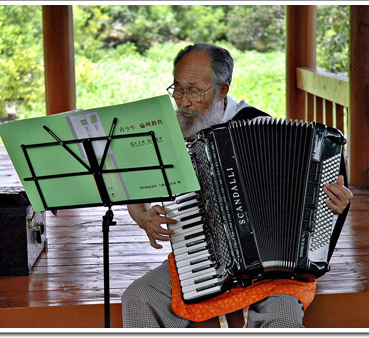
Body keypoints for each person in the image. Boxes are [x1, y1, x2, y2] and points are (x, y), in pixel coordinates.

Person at [122, 43, 353, 328]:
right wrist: (142, 216)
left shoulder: (260, 128)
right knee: (139, 296)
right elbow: (133, 181)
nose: (183, 101)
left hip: (273, 273)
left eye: (195, 91)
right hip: (201, 256)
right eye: (178, 89)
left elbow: (316, 201)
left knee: (282, 317)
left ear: (222, 90)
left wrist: (337, 205)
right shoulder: (172, 130)